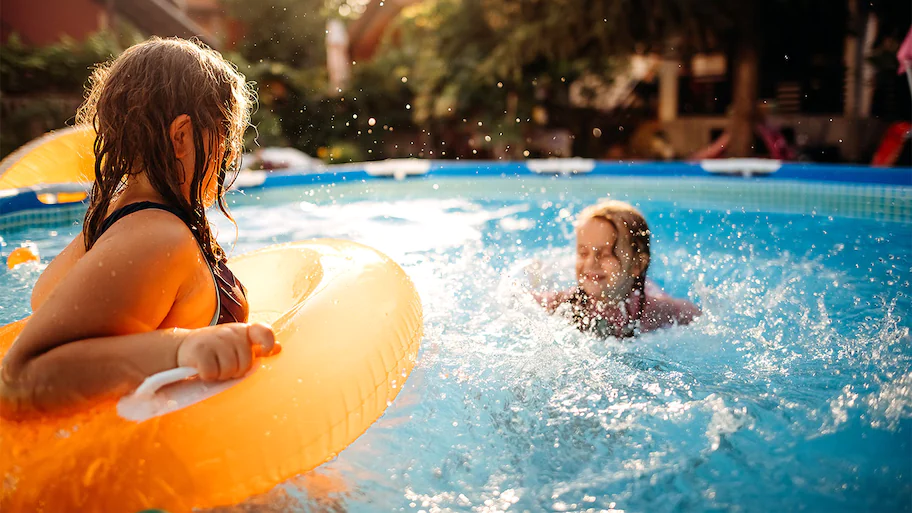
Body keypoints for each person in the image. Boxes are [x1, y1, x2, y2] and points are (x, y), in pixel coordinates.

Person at [0, 37, 278, 420]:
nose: (228, 154)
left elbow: (43, 300)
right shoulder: (156, 235)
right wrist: (179, 350)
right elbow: (16, 379)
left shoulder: (113, 219)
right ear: (181, 136)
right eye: (225, 136)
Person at [535, 200, 700, 338]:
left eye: (605, 254)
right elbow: (522, 303)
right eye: (583, 253)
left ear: (637, 265)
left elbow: (694, 314)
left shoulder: (655, 311)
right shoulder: (563, 304)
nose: (591, 263)